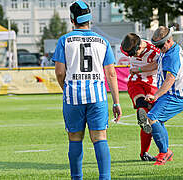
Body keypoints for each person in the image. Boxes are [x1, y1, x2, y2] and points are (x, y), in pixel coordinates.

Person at [52, 1, 122, 179]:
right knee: (100, 138)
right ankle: (104, 178)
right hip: (97, 97)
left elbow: (60, 72)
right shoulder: (103, 41)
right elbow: (111, 74)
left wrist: (66, 88)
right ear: (90, 19)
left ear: (72, 19)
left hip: (73, 97)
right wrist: (116, 102)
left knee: (75, 138)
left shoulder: (64, 40)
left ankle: (77, 178)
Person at [139, 26, 183, 165]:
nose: (158, 48)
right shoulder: (167, 50)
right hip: (168, 94)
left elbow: (170, 80)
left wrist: (155, 96)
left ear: (169, 40)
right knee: (157, 121)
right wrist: (138, 69)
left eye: (160, 45)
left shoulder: (172, 56)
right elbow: (156, 64)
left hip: (176, 96)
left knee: (152, 118)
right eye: (156, 45)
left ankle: (164, 152)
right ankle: (165, 151)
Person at [120, 33, 160, 161]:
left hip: (151, 83)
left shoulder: (153, 51)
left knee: (149, 120)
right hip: (135, 81)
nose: (131, 56)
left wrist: (139, 70)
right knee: (142, 105)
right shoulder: (127, 47)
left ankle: (144, 153)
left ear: (139, 47)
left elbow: (156, 65)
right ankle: (142, 110)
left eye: (133, 53)